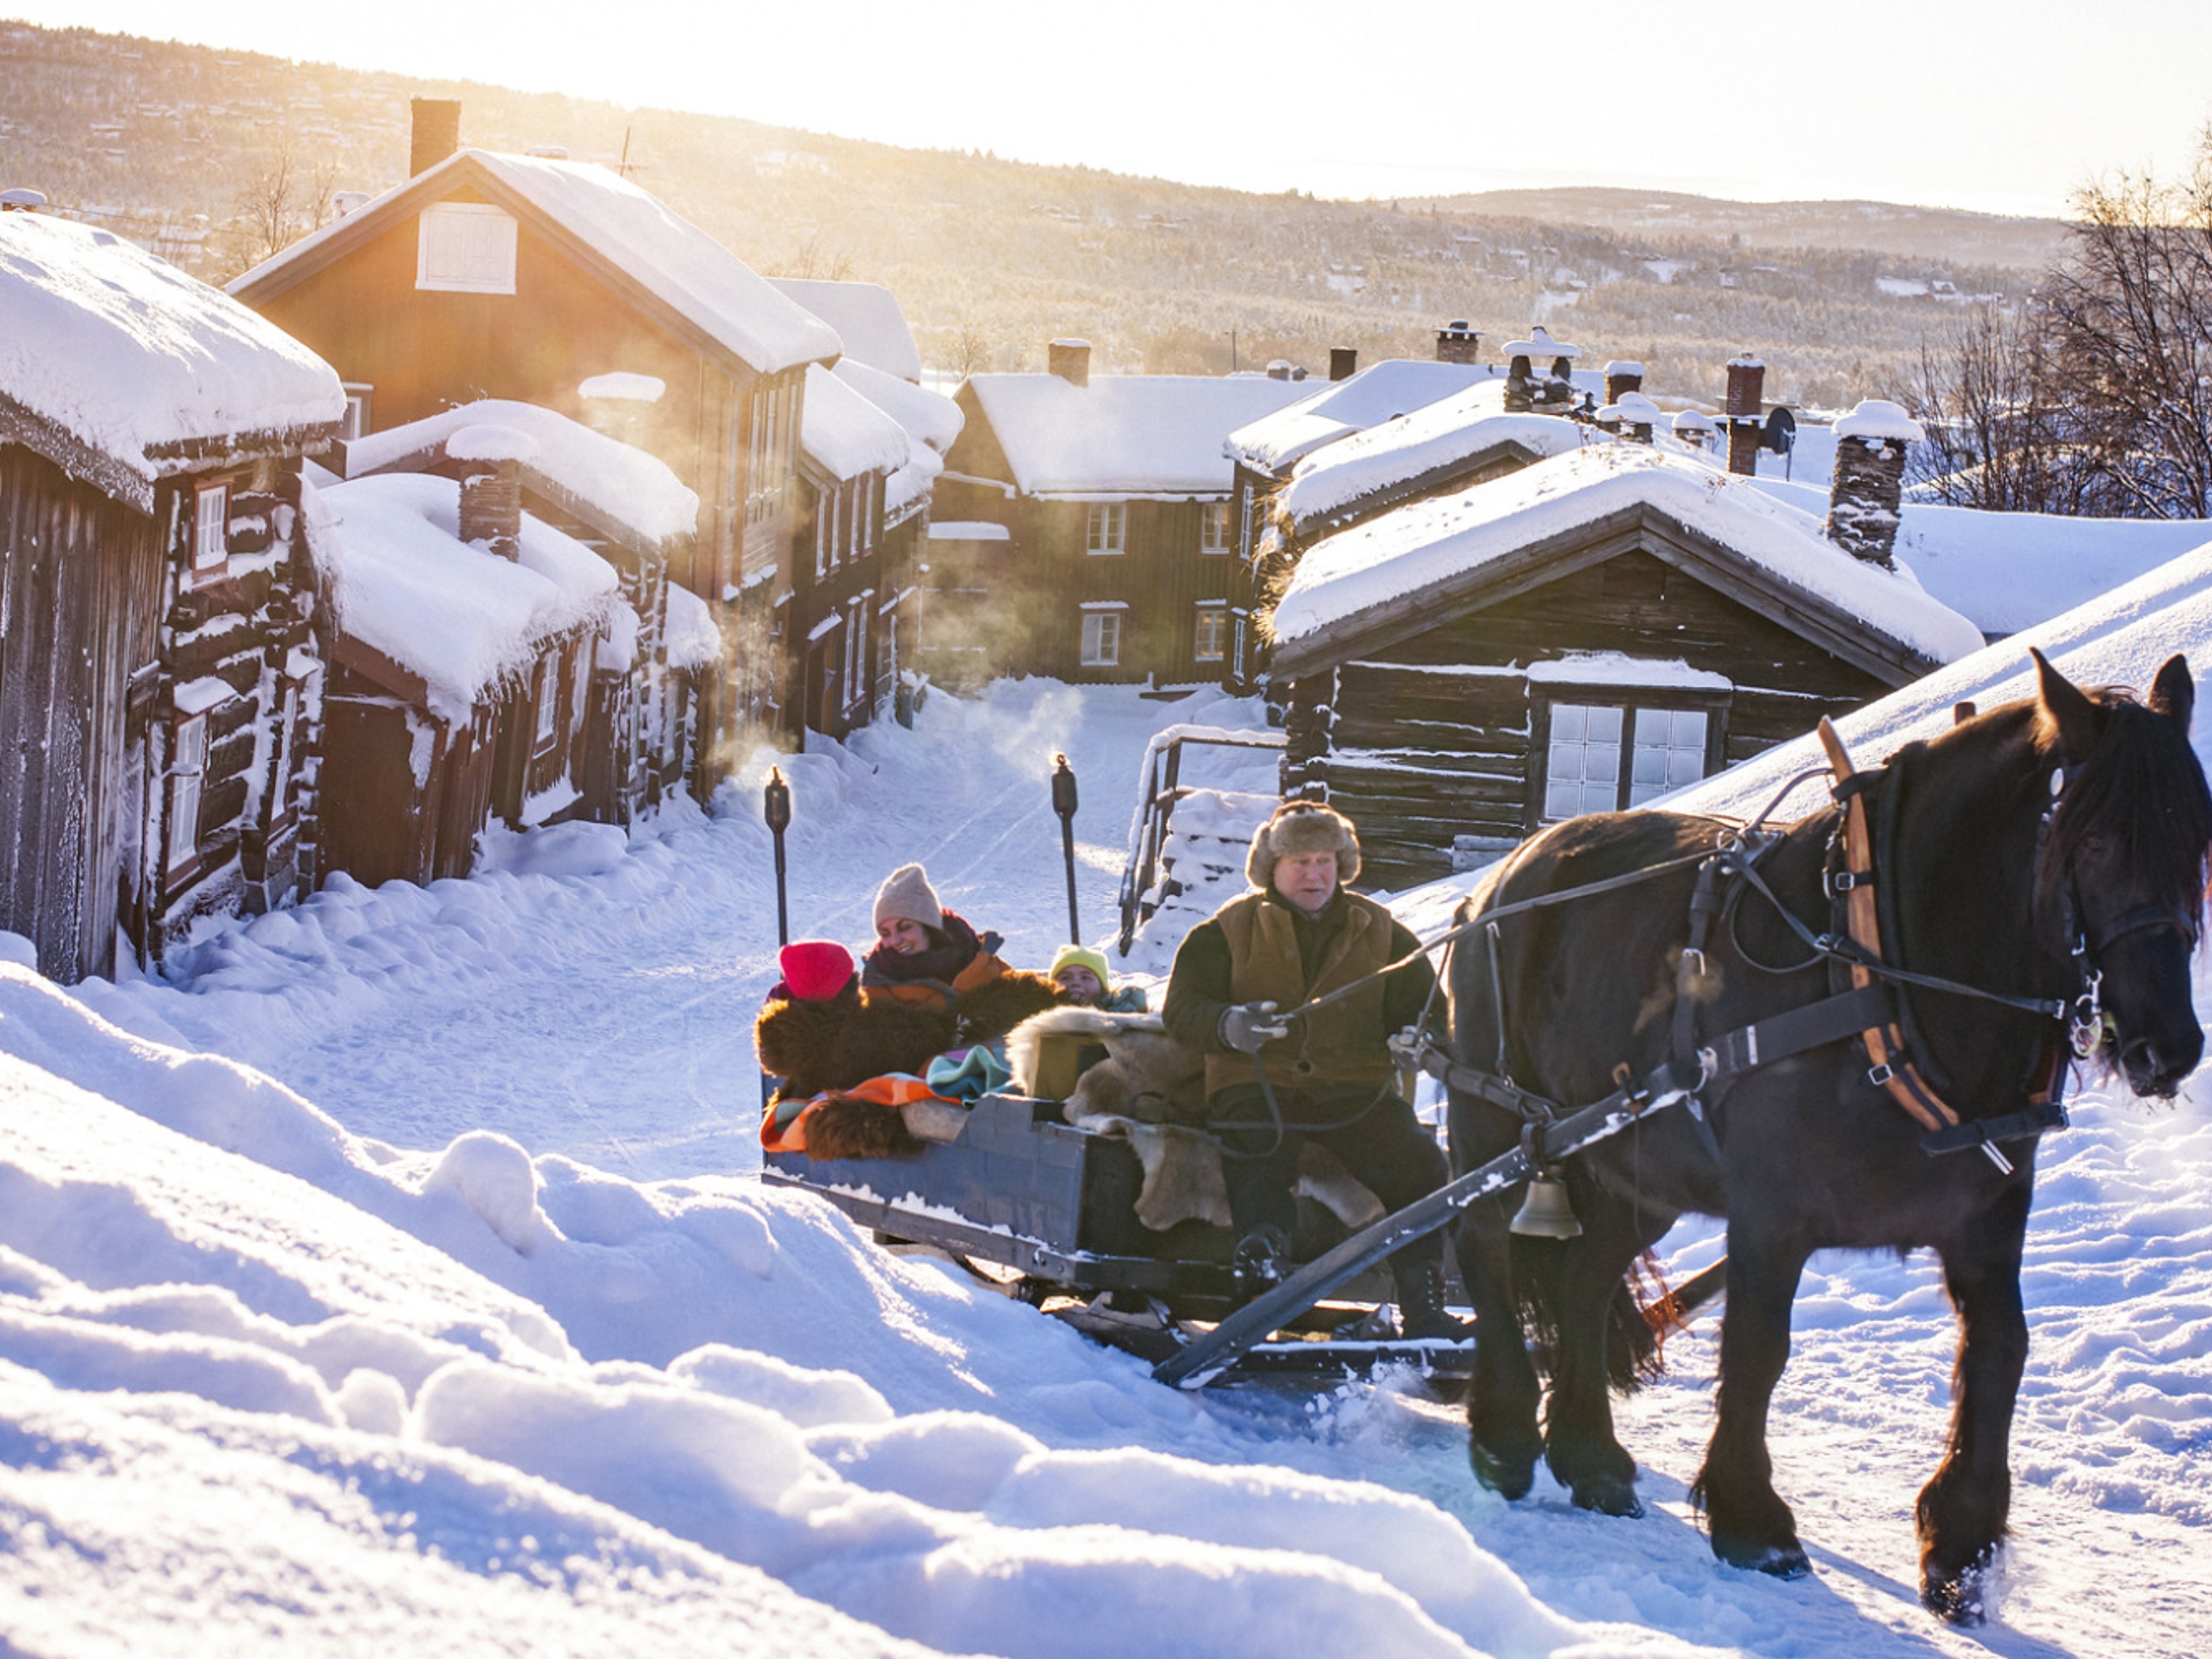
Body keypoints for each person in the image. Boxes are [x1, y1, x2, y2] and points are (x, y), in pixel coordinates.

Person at [1161, 801, 1465, 1339]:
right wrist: (1228, 1025)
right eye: (1300, 861)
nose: (1314, 874)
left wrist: (1419, 1038)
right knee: (1259, 1151)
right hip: (1254, 1084)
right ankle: (1261, 1285)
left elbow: (1425, 1008)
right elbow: (1182, 1010)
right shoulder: (1226, 931)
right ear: (1270, 869)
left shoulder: (1385, 933)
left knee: (1418, 1162)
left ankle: (1423, 1306)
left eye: (1325, 860)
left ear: (1342, 865)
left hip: (1355, 1092)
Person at [1049, 943, 1148, 1013]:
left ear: (1102, 986)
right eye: (1066, 978)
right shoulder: (1043, 1015)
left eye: (1085, 978)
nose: (1076, 983)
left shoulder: (1122, 1010)